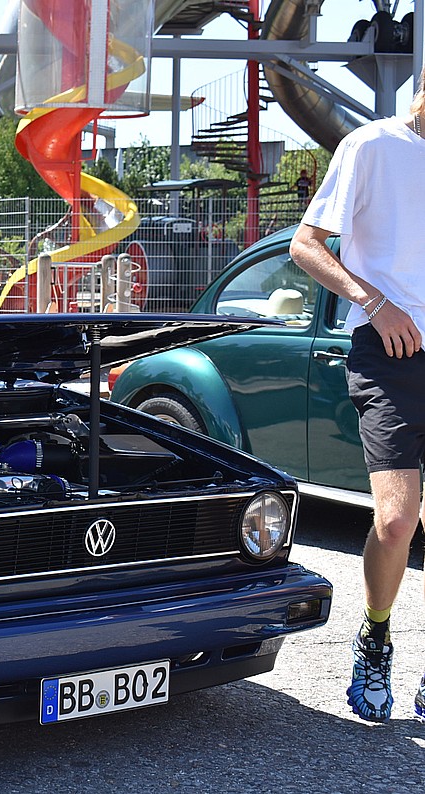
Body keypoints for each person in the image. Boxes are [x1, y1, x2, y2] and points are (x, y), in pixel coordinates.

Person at [290, 69, 425, 723]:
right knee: (396, 521)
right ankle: (375, 635)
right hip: (388, 352)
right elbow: (305, 245)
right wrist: (374, 302)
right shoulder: (372, 146)